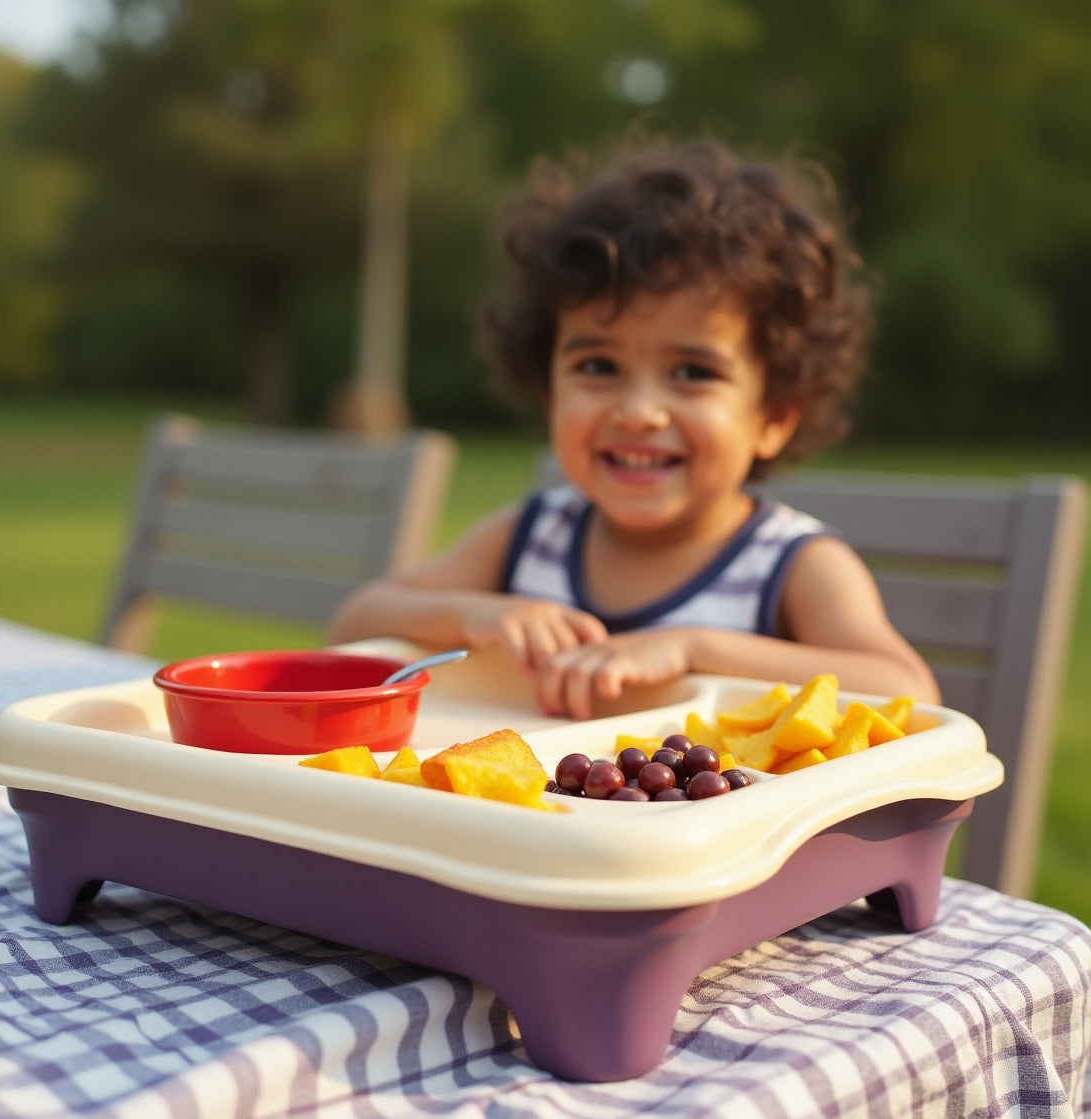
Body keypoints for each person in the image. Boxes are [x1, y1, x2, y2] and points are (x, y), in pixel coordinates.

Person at [327, 136, 939, 719]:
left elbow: (907, 690)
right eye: (599, 367)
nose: (638, 411)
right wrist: (471, 616)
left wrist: (692, 649)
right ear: (549, 392)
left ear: (773, 417)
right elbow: (356, 624)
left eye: (693, 372)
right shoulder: (532, 535)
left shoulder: (791, 564)